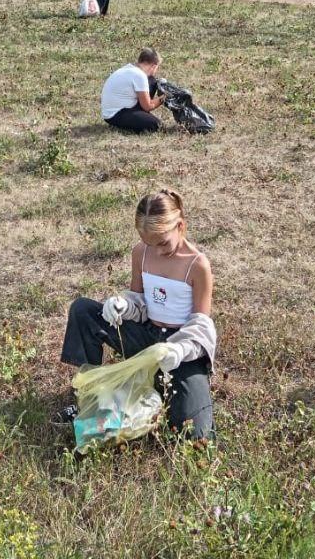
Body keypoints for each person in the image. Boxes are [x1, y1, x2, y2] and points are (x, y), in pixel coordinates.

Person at [57, 188, 217, 439]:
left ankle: (154, 387)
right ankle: (87, 394)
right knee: (83, 310)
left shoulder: (198, 265)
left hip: (179, 349)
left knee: (196, 435)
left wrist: (180, 350)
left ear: (180, 226)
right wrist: (122, 304)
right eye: (149, 243)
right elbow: (141, 301)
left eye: (163, 243)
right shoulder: (141, 253)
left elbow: (201, 325)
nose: (158, 251)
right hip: (146, 337)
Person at [101, 48, 166, 134]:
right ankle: (125, 124)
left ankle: (139, 117)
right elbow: (148, 106)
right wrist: (165, 97)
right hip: (117, 114)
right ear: (154, 66)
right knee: (157, 126)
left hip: (110, 112)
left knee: (152, 81)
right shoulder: (140, 75)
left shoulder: (130, 68)